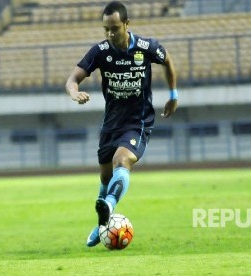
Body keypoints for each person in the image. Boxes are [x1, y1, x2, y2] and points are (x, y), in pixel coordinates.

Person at [65, 1, 178, 247]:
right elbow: (73, 79)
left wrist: (173, 95)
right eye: (106, 29)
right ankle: (102, 222)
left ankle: (109, 205)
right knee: (106, 178)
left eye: (115, 28)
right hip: (111, 124)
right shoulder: (100, 51)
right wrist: (74, 93)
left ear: (127, 24)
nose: (110, 34)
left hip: (138, 122)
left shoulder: (146, 48)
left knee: (122, 160)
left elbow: (167, 60)